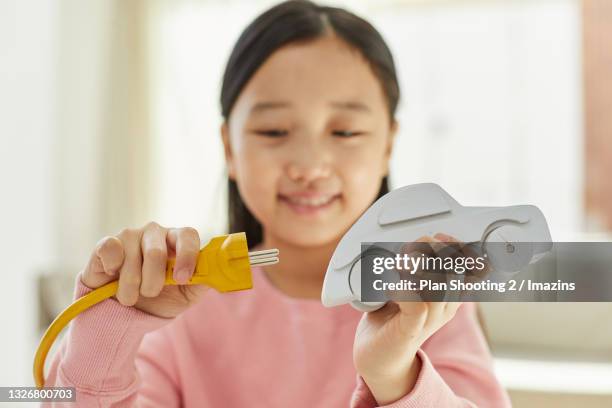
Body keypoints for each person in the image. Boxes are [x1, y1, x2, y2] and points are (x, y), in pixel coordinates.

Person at [44, 1, 512, 406]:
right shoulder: (175, 300)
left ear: (388, 143)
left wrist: (395, 379)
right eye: (273, 132)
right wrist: (105, 337)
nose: (309, 165)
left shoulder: (428, 300)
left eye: (344, 131)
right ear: (229, 148)